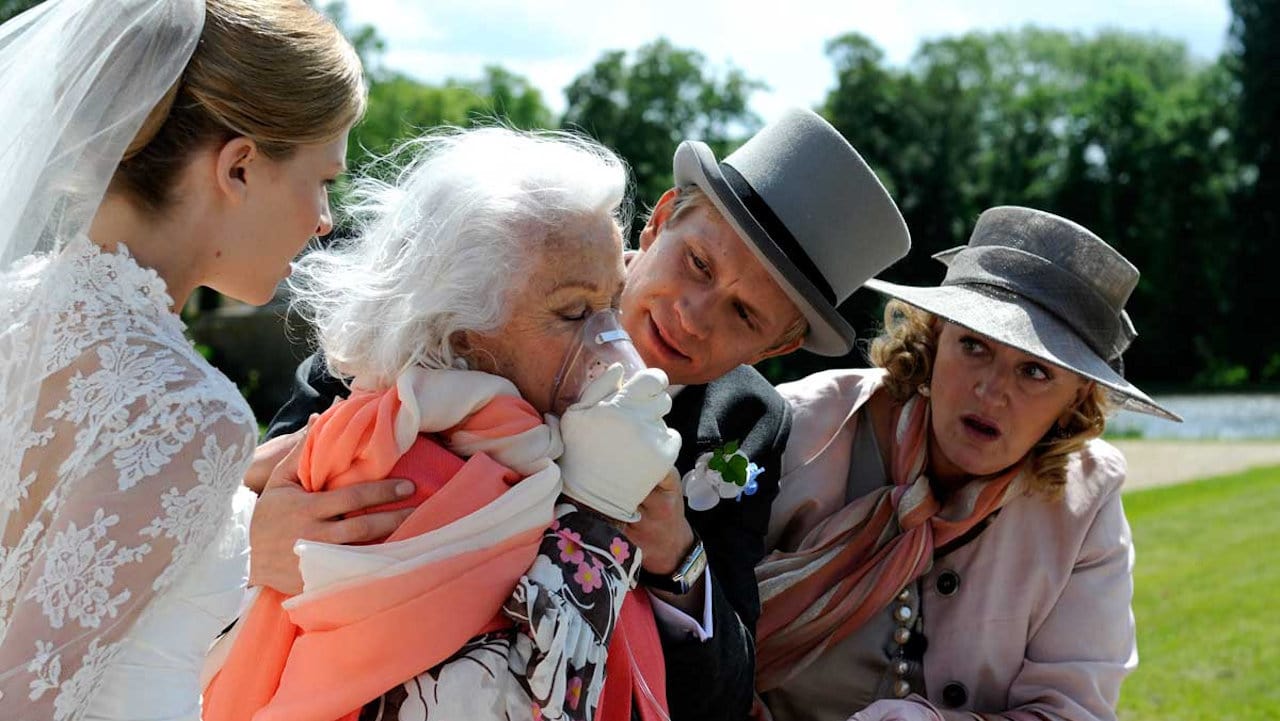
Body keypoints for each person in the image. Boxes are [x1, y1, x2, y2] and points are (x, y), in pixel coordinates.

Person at [255, 108, 912, 720]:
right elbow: (273, 469)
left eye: (744, 314)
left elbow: (724, 697)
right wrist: (260, 530)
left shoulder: (745, 420)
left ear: (779, 347)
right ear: (658, 221)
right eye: (698, 263)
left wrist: (677, 558)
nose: (692, 312)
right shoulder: (492, 267)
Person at [203, 127, 681, 721]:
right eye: (575, 312)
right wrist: (597, 514)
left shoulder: (518, 441)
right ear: (462, 337)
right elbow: (496, 701)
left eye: (612, 303)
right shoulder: (402, 469)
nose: (609, 343)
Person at [0, 0, 365, 718]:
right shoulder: (188, 412)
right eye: (322, 179)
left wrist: (227, 505)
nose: (324, 218)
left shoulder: (16, 303)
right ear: (238, 167)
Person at [755, 206, 1182, 721]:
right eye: (974, 345)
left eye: (1034, 371)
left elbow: (1072, 712)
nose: (991, 391)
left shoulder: (1086, 501)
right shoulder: (800, 426)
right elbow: (689, 626)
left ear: (1076, 399)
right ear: (935, 338)